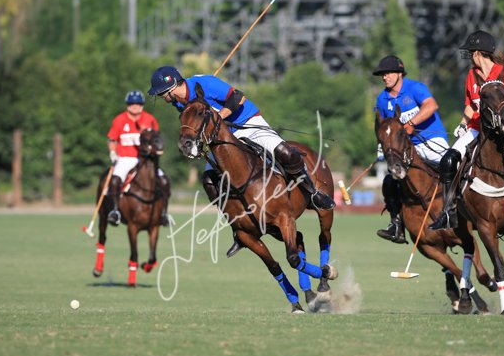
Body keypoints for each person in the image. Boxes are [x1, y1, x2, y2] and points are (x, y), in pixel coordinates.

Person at [148, 65, 335, 257]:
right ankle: (238, 228)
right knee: (209, 181)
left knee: (285, 152)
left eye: (161, 94)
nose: (161, 98)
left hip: (246, 123)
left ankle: (313, 193)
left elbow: (238, 97)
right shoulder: (178, 102)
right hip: (222, 137)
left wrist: (218, 118)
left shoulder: (205, 83)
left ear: (171, 87)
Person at [429, 30, 504, 231]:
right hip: (477, 128)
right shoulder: (472, 75)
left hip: (501, 129)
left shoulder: (501, 73)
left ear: (478, 53)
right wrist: (462, 124)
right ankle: (449, 211)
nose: (469, 56)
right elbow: (471, 104)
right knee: (448, 161)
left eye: (471, 52)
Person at [372, 55, 450, 244]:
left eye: (388, 73)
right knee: (390, 181)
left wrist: (410, 124)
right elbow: (382, 125)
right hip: (405, 149)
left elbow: (431, 105)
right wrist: (382, 146)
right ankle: (396, 224)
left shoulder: (415, 88)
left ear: (400, 73)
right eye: (382, 74)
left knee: (450, 167)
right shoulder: (382, 99)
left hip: (432, 139)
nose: (384, 77)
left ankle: (455, 210)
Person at [105, 90, 170, 227]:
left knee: (164, 180)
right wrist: (113, 153)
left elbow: (156, 140)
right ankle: (115, 211)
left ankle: (164, 213)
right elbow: (112, 139)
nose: (135, 106)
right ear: (127, 105)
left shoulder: (150, 119)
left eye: (138, 103)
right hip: (126, 158)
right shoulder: (119, 120)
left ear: (142, 105)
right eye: (132, 103)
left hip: (146, 160)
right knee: (115, 180)